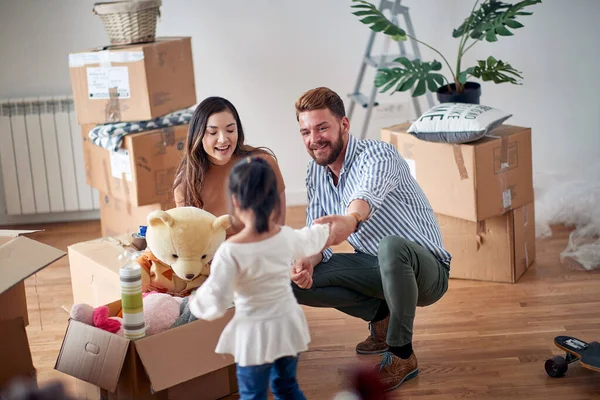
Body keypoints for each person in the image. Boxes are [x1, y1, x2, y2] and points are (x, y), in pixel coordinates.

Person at [290, 87, 451, 392]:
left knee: (391, 246)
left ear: (344, 125)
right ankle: (381, 317)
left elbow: (366, 195)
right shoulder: (316, 172)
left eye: (322, 127)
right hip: (375, 267)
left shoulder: (377, 154)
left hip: (426, 272)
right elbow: (317, 235)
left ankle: (402, 354)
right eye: (305, 132)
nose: (314, 139)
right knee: (290, 279)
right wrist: (305, 260)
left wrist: (350, 220)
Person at [187, 156, 331, 400]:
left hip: (253, 335)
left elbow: (216, 299)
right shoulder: (286, 237)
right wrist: (328, 226)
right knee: (286, 387)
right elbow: (313, 239)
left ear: (234, 201)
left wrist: (194, 302)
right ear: (274, 201)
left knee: (253, 395)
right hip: (287, 326)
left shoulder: (231, 251)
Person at [173, 96, 287, 237]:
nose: (223, 139)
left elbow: (277, 219)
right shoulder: (185, 183)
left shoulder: (262, 162)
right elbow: (188, 237)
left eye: (230, 130)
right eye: (213, 132)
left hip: (259, 250)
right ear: (198, 135)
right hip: (211, 255)